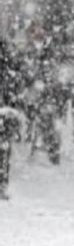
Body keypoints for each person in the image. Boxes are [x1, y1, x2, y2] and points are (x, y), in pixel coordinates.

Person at [0, 38, 26, 199]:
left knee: (3, 149)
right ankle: (2, 184)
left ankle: (2, 183)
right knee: (3, 149)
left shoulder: (7, 55)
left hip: (5, 109)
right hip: (6, 109)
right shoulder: (8, 54)